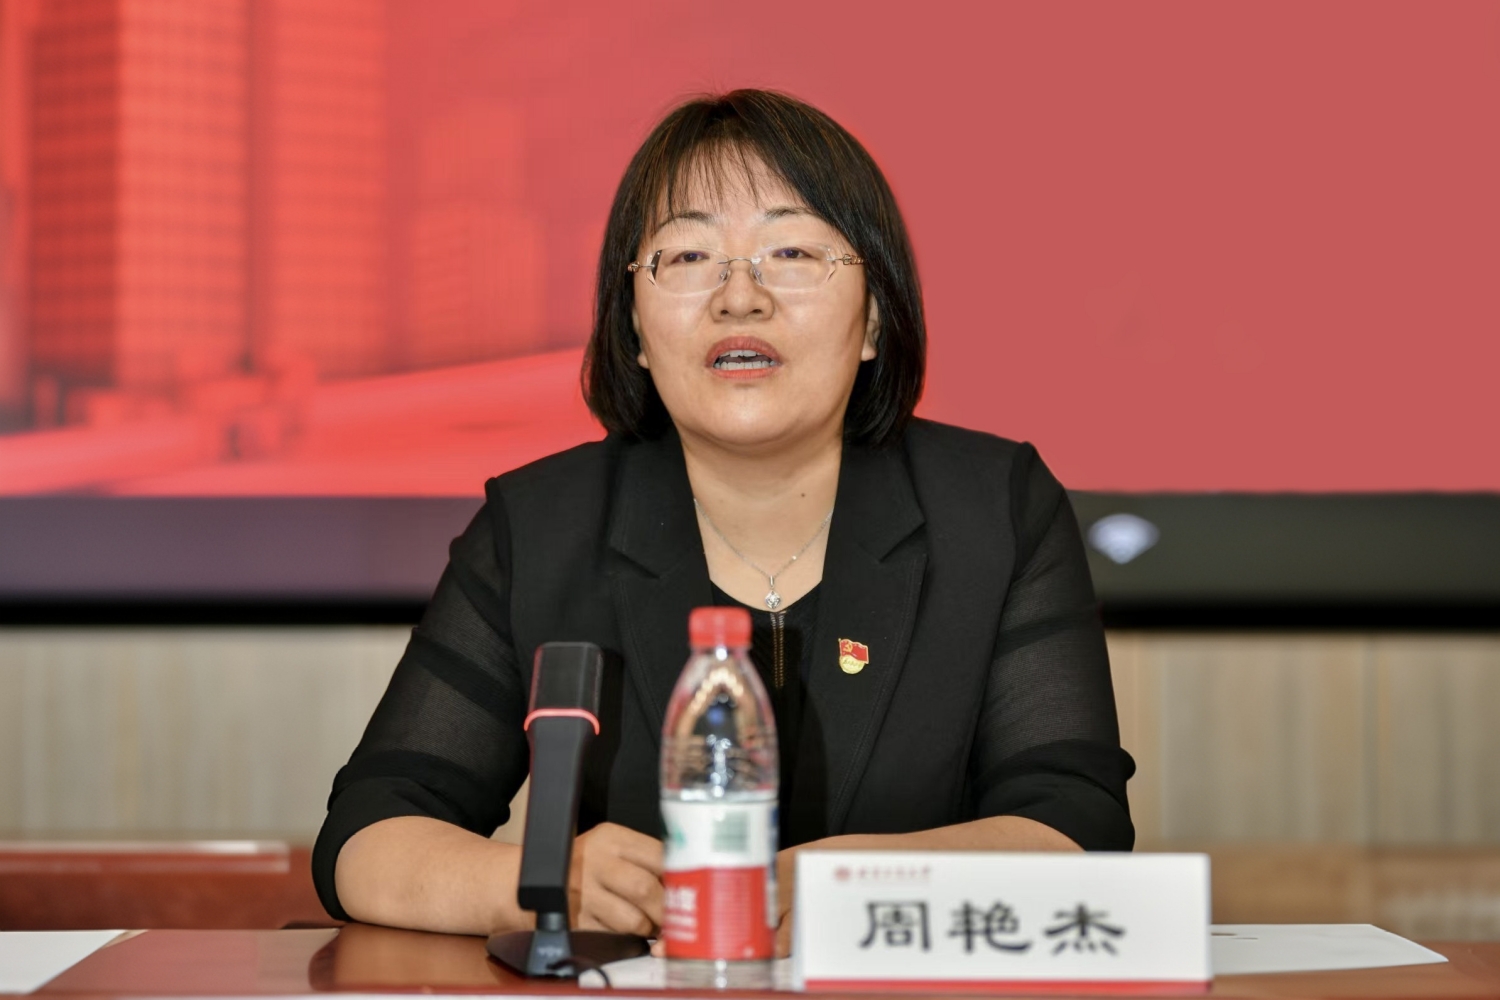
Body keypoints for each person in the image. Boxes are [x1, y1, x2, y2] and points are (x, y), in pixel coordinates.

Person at [313, 89, 1134, 952]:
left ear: (873, 319)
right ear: (634, 326)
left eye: (792, 252)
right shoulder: (541, 527)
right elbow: (369, 833)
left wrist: (847, 889)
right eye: (689, 255)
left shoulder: (994, 510)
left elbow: (1075, 827)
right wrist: (539, 883)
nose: (740, 296)